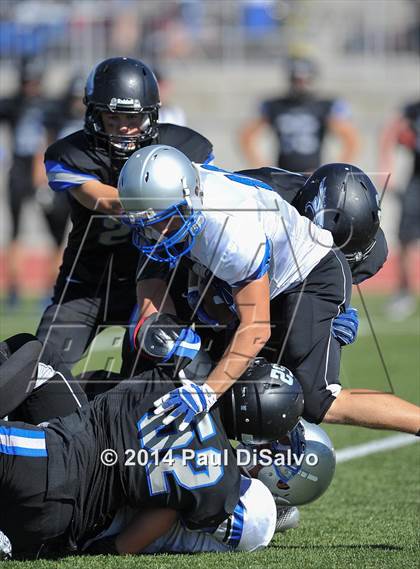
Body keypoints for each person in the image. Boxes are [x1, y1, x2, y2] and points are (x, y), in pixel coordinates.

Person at [118, 144, 420, 437]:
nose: (156, 233)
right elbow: (154, 270)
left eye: (163, 222)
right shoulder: (170, 197)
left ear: (191, 198)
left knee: (314, 400)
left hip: (309, 276)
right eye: (147, 224)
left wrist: (207, 393)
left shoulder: (232, 233)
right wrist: (158, 328)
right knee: (185, 356)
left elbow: (255, 329)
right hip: (257, 275)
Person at [1, 326, 304, 558]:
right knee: (40, 359)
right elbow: (164, 514)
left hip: (54, 462)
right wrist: (107, 549)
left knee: (33, 352)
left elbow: (149, 330)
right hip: (63, 522)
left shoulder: (186, 371)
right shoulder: (220, 485)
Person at [35, 57, 214, 368]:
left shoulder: (184, 147)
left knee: (152, 372)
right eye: (112, 117)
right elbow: (101, 200)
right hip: (88, 282)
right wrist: (160, 202)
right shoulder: (73, 154)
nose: (123, 128)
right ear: (94, 115)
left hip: (157, 281)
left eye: (132, 118)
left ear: (151, 116)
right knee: (43, 367)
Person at [0, 59, 60, 307]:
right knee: (15, 231)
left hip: (43, 173)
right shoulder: (14, 104)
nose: (31, 87)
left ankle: (51, 288)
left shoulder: (50, 107)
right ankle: (14, 287)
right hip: (18, 172)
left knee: (54, 233)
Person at [239, 56, 360, 173]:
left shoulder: (325, 106)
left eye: (305, 80)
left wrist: (333, 170)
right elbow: (247, 136)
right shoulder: (275, 105)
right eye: (297, 80)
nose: (301, 84)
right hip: (283, 175)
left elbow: (351, 139)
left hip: (312, 174)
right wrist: (262, 167)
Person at [379, 99, 420, 320]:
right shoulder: (413, 108)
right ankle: (404, 293)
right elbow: (393, 131)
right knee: (405, 239)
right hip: (416, 182)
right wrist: (387, 165)